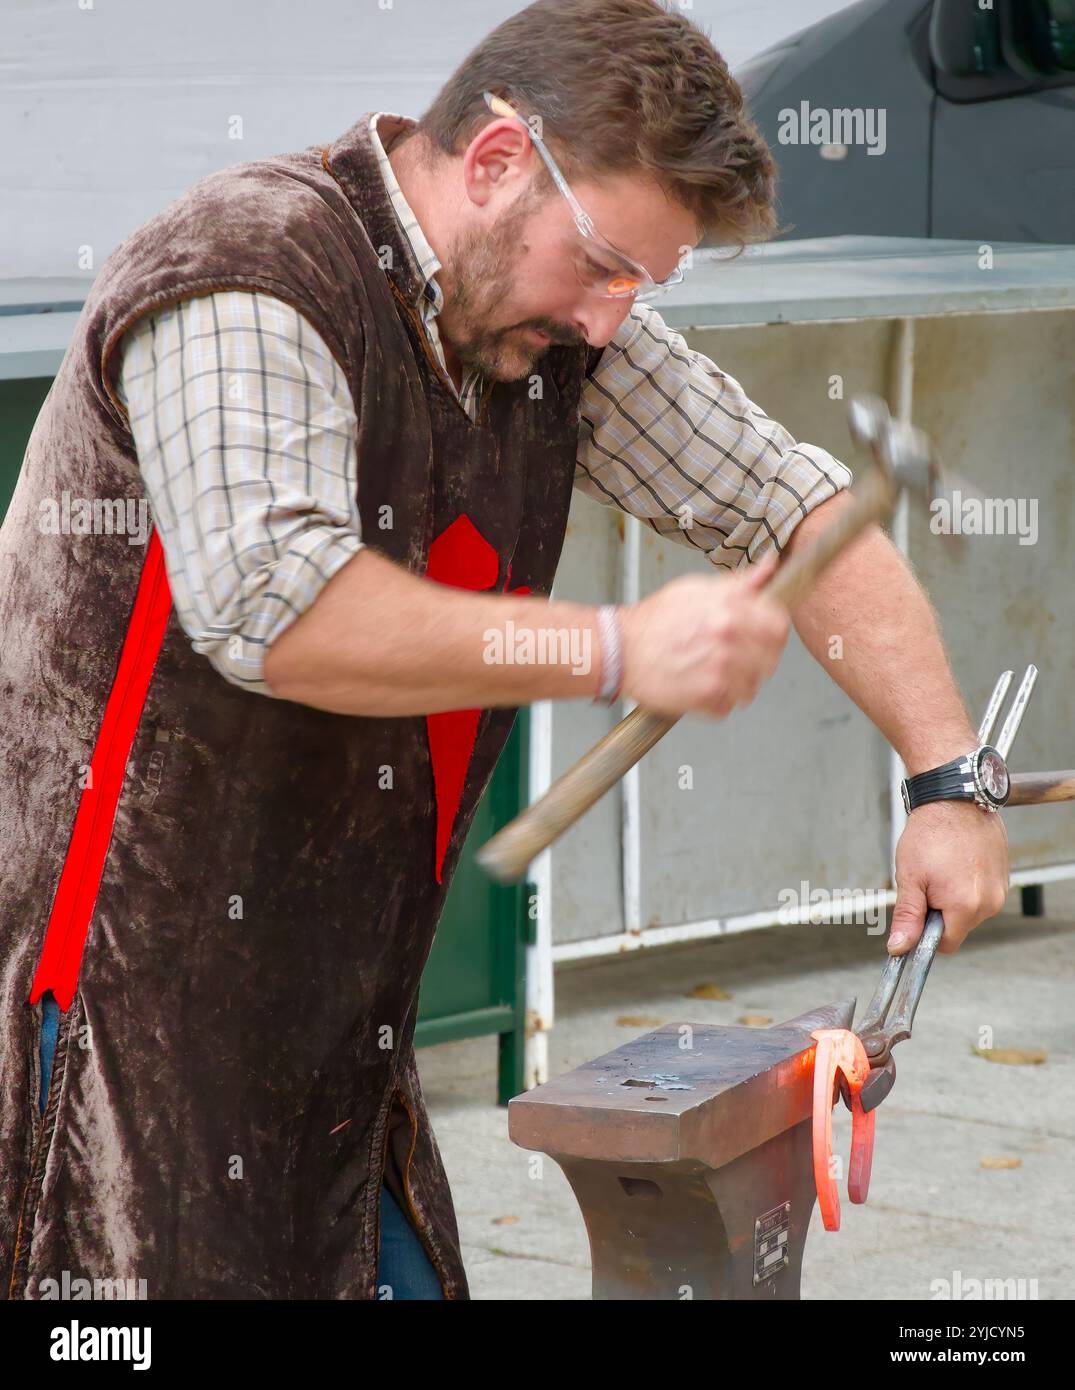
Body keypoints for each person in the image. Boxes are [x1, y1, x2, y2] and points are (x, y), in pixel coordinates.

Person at [0, 0, 1007, 1301]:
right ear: (495, 163)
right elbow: (270, 600)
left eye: (647, 280)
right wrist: (613, 644)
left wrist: (948, 777)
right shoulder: (245, 270)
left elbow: (795, 504)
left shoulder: (553, 334)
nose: (608, 318)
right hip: (102, 1027)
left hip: (337, 1037)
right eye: (601, 264)